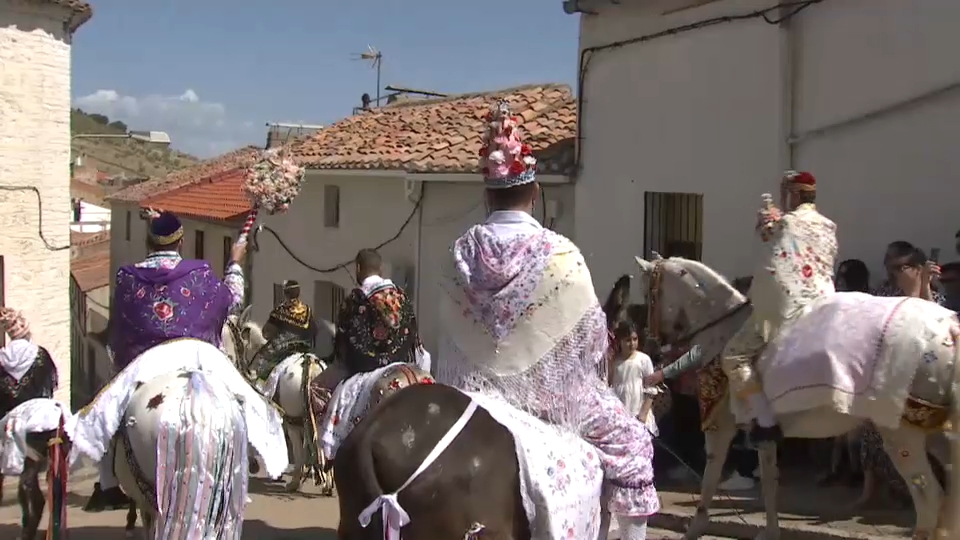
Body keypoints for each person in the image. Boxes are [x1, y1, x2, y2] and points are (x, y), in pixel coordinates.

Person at [436, 100, 658, 539]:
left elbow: (447, 335)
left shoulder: (457, 254)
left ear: (486, 194)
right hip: (548, 400)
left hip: (467, 393)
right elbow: (593, 343)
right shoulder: (561, 256)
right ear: (534, 193)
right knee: (634, 448)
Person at [85, 210, 249, 511]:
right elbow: (232, 300)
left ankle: (107, 481)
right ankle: (244, 458)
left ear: (149, 242)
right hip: (194, 354)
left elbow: (121, 326)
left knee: (109, 410)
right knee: (242, 402)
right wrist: (235, 262)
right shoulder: (199, 273)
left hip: (144, 361)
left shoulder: (127, 277)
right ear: (181, 241)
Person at [249, 279, 319, 381]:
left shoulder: (280, 311)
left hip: (283, 348)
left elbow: (266, 333)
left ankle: (255, 378)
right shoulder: (307, 310)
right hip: (305, 348)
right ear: (298, 293)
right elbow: (314, 330)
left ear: (285, 294)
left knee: (261, 357)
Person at [0, 308, 58, 417]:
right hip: (35, 416)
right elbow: (48, 389)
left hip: (6, 422)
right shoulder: (41, 355)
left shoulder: (1, 360)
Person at [609, 321, 659, 437]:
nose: (632, 343)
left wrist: (643, 414)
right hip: (621, 415)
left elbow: (650, 389)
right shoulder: (614, 362)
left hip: (639, 413)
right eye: (627, 340)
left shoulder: (643, 360)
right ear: (619, 341)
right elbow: (609, 385)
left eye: (634, 339)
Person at [873, 241, 943, 303]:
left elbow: (933, 316)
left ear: (918, 269)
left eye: (898, 268)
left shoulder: (934, 296)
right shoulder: (882, 292)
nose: (892, 272)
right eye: (888, 267)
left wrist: (924, 286)